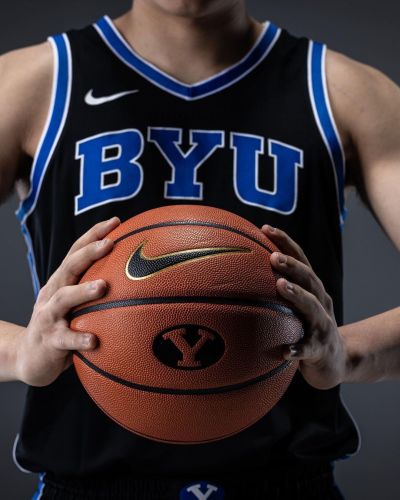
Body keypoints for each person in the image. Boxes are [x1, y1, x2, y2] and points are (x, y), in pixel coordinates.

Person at [0, 1, 399, 499]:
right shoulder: (32, 83)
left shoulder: (344, 92)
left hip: (288, 484)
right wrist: (21, 352)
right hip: (89, 485)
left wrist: (346, 353)